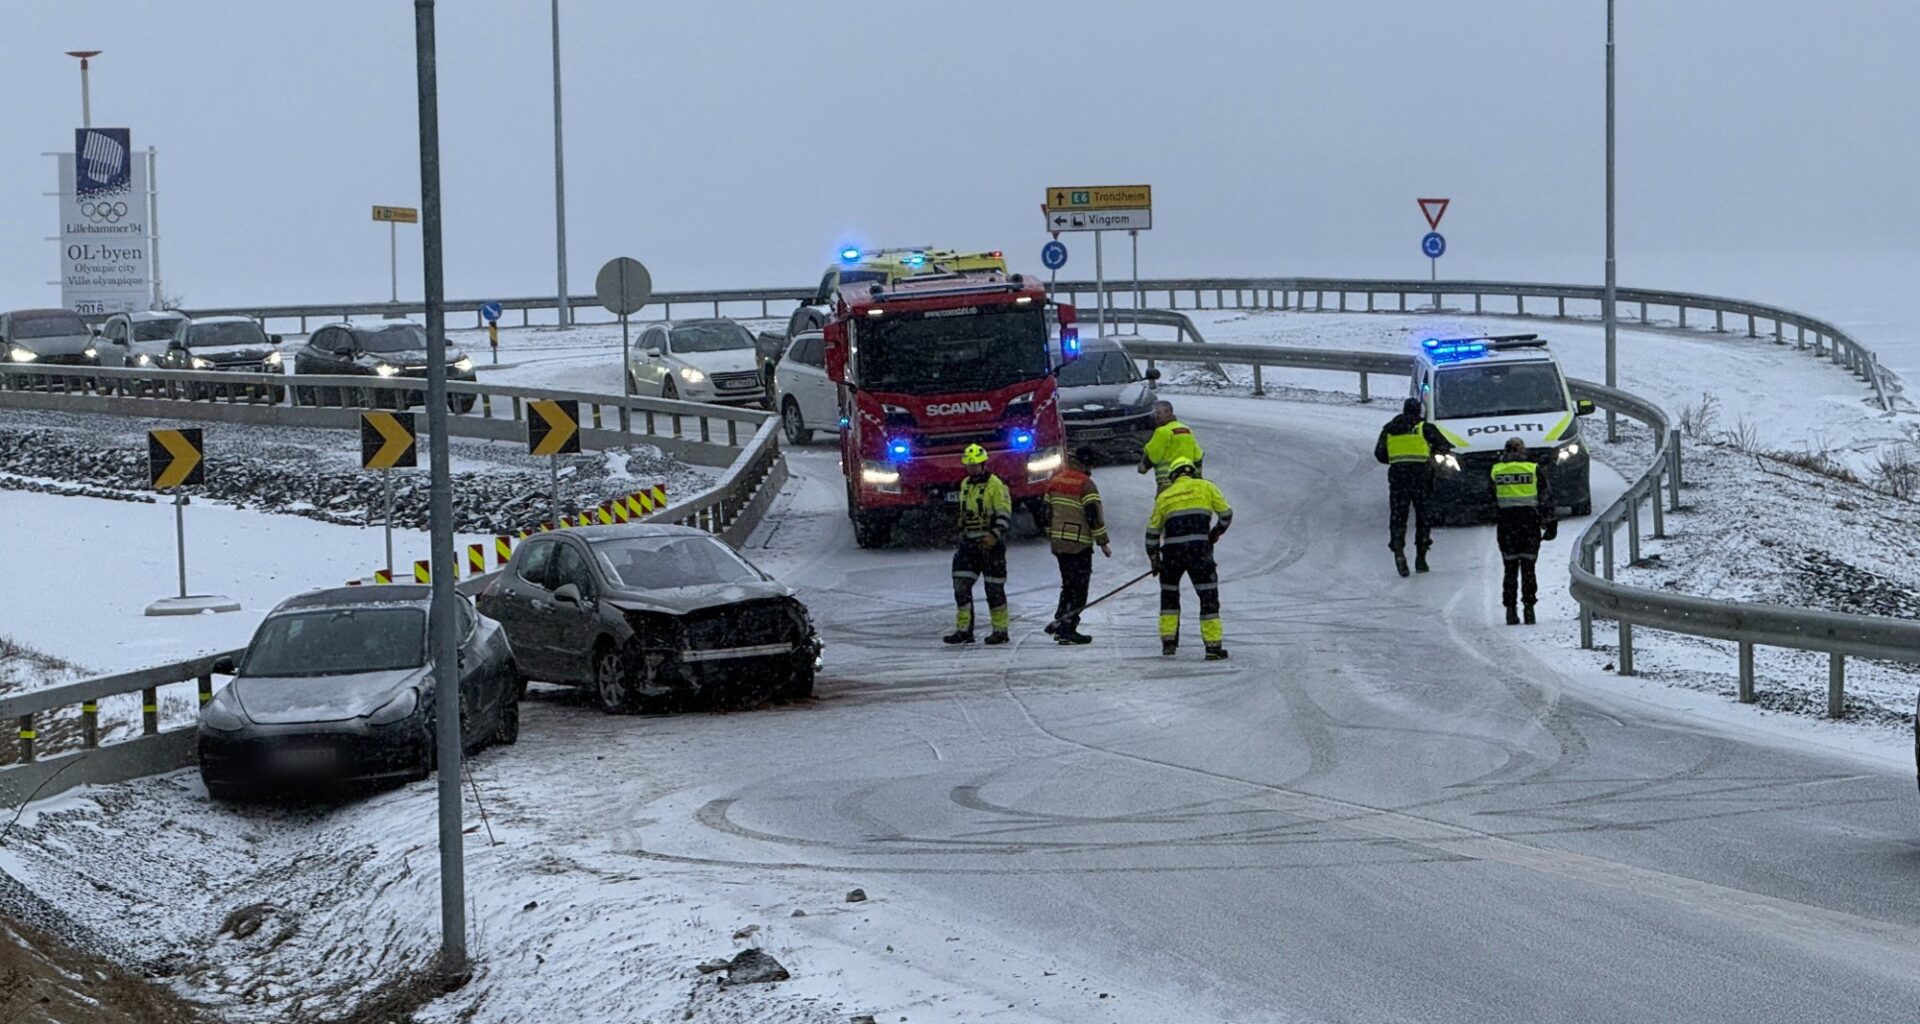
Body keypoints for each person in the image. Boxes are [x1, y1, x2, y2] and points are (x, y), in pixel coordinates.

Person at [1145, 456, 1232, 660]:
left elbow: (1151, 533)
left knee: (1169, 597)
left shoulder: (1164, 497)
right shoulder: (1206, 487)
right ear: (1192, 471)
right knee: (1208, 597)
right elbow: (1226, 515)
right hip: (1199, 552)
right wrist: (1215, 533)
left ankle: (1168, 642)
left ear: (1173, 476)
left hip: (1172, 554)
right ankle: (1212, 648)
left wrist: (1154, 559)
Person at [1373, 396, 1451, 577]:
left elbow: (1380, 454)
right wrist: (1431, 454)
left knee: (1398, 517)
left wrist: (1397, 460)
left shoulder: (1390, 429)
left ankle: (1398, 550)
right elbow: (1444, 446)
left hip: (1399, 479)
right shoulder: (1424, 428)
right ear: (1418, 411)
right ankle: (1421, 557)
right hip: (1421, 478)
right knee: (1423, 517)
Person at [945, 443, 1013, 645]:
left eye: (975, 465)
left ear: (983, 464)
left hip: (990, 546)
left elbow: (1004, 513)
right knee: (961, 587)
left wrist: (994, 535)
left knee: (994, 589)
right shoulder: (965, 484)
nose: (972, 468)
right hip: (969, 545)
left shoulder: (996, 485)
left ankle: (1000, 630)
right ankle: (964, 630)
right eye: (969, 465)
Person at [1042, 447, 1112, 645]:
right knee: (1079, 588)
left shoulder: (1055, 481)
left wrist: (1051, 534)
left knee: (1068, 584)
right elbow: (1093, 515)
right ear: (1087, 464)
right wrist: (1103, 542)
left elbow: (1045, 511)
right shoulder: (1086, 484)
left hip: (1060, 544)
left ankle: (1060, 620)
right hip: (1079, 543)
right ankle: (1068, 628)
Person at [1490, 436, 1553, 625]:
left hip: (1507, 526)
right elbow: (1546, 498)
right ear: (1522, 451)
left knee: (1509, 569)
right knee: (1528, 568)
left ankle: (1510, 610)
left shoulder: (1496, 471)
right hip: (1529, 525)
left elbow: (1488, 499)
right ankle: (1529, 609)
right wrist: (1550, 521)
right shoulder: (1533, 469)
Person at [1137, 401, 1204, 492]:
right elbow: (1198, 456)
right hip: (1188, 480)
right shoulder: (1187, 430)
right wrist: (1197, 477)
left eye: (1158, 413)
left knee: (1164, 504)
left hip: (1167, 481)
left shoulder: (1162, 431)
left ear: (1168, 412)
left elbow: (1153, 454)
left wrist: (1143, 467)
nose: (1155, 416)